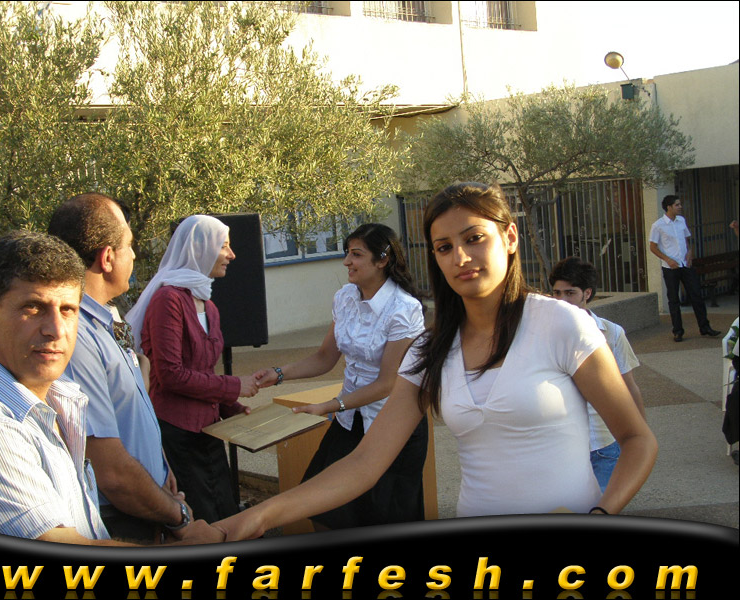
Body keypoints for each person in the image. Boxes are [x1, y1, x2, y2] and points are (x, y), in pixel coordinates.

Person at [213, 182, 658, 541]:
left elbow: (637, 439)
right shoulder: (431, 350)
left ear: (510, 237)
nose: (460, 257)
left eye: (474, 238)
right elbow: (365, 463)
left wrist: (601, 514)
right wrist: (255, 518)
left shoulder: (561, 323)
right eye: (443, 247)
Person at [0, 231, 221, 545]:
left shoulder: (51, 396)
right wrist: (191, 539)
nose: (56, 330)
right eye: (33, 307)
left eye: (68, 310)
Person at [254, 223, 428, 530]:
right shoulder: (345, 297)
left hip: (391, 424)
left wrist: (330, 406)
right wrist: (279, 374)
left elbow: (387, 384)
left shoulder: (404, 309)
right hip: (350, 420)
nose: (347, 261)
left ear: (383, 259)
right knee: (324, 510)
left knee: (383, 522)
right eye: (347, 253)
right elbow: (325, 358)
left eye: (356, 254)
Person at [48, 193, 198, 543]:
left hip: (148, 502)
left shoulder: (102, 321)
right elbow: (111, 473)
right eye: (129, 245)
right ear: (107, 258)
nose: (134, 255)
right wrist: (181, 518)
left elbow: (125, 413)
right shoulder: (76, 337)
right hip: (121, 519)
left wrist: (160, 465)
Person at [125, 215, 258, 523]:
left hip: (207, 430)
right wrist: (234, 386)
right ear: (200, 249)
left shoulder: (208, 305)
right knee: (200, 520)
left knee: (224, 514)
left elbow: (202, 370)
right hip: (178, 435)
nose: (231, 255)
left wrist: (231, 408)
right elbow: (171, 374)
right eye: (224, 246)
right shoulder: (168, 300)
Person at [549, 256, 647, 491]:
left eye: (570, 293)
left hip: (604, 444)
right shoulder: (544, 335)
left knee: (602, 506)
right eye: (556, 293)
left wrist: (641, 436)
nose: (562, 300)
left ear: (587, 293)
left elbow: (629, 386)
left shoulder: (611, 333)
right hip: (561, 447)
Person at [649, 195, 721, 342]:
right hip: (670, 268)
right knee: (674, 300)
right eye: (677, 205)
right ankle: (678, 331)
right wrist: (668, 260)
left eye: (680, 204)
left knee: (696, 295)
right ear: (669, 207)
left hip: (685, 265)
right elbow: (653, 247)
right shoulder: (658, 225)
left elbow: (686, 240)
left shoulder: (681, 220)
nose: (680, 207)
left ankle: (705, 327)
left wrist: (689, 253)